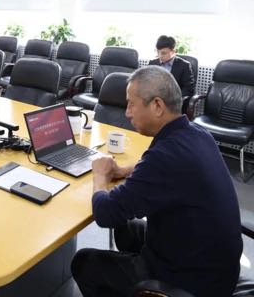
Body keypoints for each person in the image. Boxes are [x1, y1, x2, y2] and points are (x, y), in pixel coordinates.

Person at [71, 66, 242, 297]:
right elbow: (167, 169)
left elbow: (105, 214)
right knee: (126, 228)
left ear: (157, 106)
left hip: (194, 282)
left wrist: (100, 175)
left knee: (84, 263)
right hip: (216, 265)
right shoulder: (197, 133)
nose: (127, 113)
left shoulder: (164, 157)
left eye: (131, 104)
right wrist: (124, 170)